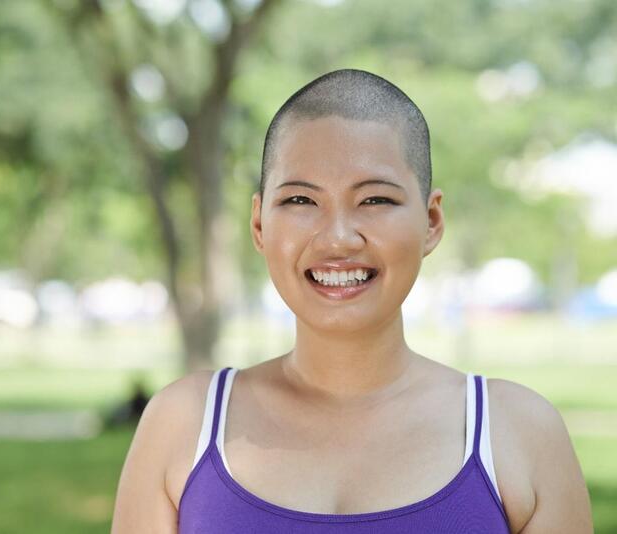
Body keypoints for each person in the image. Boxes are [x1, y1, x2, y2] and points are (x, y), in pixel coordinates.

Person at [110, 68, 593, 533]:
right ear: (259, 225)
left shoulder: (520, 432)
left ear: (431, 222)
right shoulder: (182, 425)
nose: (338, 238)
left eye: (375, 200)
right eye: (301, 201)